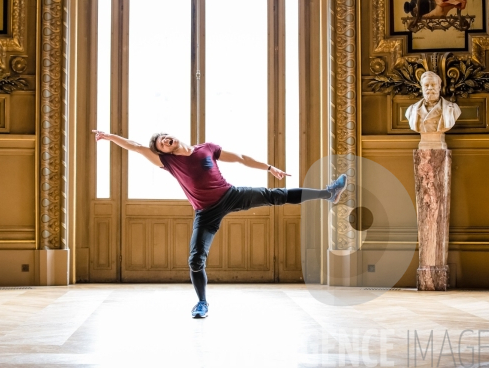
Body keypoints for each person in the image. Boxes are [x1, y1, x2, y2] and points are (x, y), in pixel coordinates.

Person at [93, 130, 348, 318]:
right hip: (206, 212)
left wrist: (269, 167)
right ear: (164, 152)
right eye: (162, 144)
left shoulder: (207, 148)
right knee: (195, 259)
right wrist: (109, 137)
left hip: (230, 195)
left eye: (166, 137)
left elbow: (240, 158)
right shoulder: (169, 163)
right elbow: (136, 146)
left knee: (276, 195)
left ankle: (329, 193)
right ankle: (202, 303)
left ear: (173, 136)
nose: (166, 141)